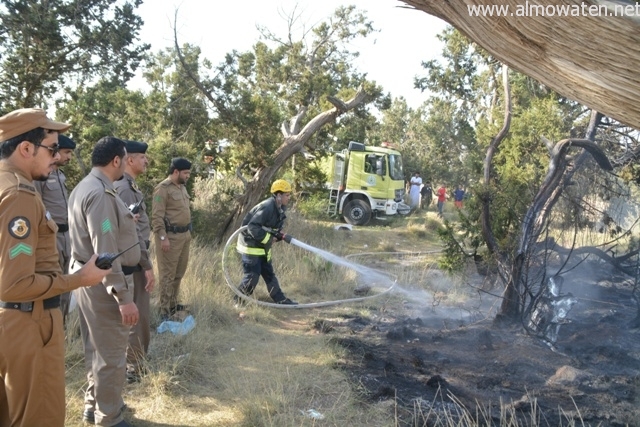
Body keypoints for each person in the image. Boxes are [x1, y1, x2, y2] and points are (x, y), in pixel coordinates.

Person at [0, 108, 110, 427]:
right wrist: (77, 279)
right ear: (25, 149)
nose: (56, 157)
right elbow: (14, 283)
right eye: (51, 148)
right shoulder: (19, 195)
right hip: (27, 325)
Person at [69, 136, 141, 427]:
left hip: (90, 281)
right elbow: (105, 250)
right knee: (111, 355)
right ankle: (109, 417)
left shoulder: (86, 186)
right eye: (124, 159)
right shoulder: (99, 193)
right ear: (116, 161)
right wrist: (123, 298)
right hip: (104, 286)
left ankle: (94, 405)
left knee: (95, 350)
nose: (126, 163)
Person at [113, 140, 155, 384]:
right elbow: (132, 232)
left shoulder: (130, 186)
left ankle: (133, 363)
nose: (146, 161)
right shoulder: (125, 189)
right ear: (129, 160)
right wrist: (146, 264)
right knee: (137, 314)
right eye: (142, 158)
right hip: (135, 259)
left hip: (137, 256)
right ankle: (134, 367)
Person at [33, 134, 76, 323]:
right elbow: (37, 207)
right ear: (56, 152)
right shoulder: (42, 175)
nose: (69, 157)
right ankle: (52, 324)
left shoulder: (60, 175)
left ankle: (64, 324)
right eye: (67, 152)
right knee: (54, 281)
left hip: (67, 234)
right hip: (52, 235)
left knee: (66, 282)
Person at [236, 179, 298, 305]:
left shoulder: (280, 208)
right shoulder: (268, 207)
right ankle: (239, 301)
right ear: (278, 195)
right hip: (251, 246)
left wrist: (278, 236)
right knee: (252, 276)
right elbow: (252, 227)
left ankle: (280, 300)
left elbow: (270, 228)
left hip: (262, 247)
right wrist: (270, 239)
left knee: (269, 274)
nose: (289, 198)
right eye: (287, 195)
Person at [152, 157, 192, 320]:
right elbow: (156, 216)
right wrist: (163, 237)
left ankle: (173, 304)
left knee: (179, 273)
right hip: (170, 237)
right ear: (176, 172)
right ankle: (163, 310)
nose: (188, 176)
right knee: (167, 275)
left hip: (184, 236)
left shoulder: (181, 187)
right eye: (185, 173)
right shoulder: (162, 189)